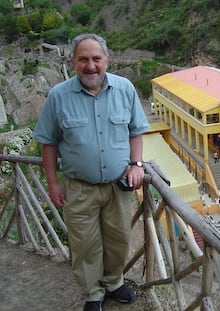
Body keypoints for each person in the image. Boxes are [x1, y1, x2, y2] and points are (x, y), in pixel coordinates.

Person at [33, 33, 149, 311]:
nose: (90, 65)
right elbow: (47, 142)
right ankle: (93, 294)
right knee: (84, 244)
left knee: (119, 239)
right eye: (83, 59)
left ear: (106, 60)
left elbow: (136, 132)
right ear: (73, 61)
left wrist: (136, 164)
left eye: (96, 58)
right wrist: (52, 183)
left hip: (118, 185)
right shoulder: (58, 96)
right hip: (78, 186)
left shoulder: (125, 89)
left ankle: (114, 282)